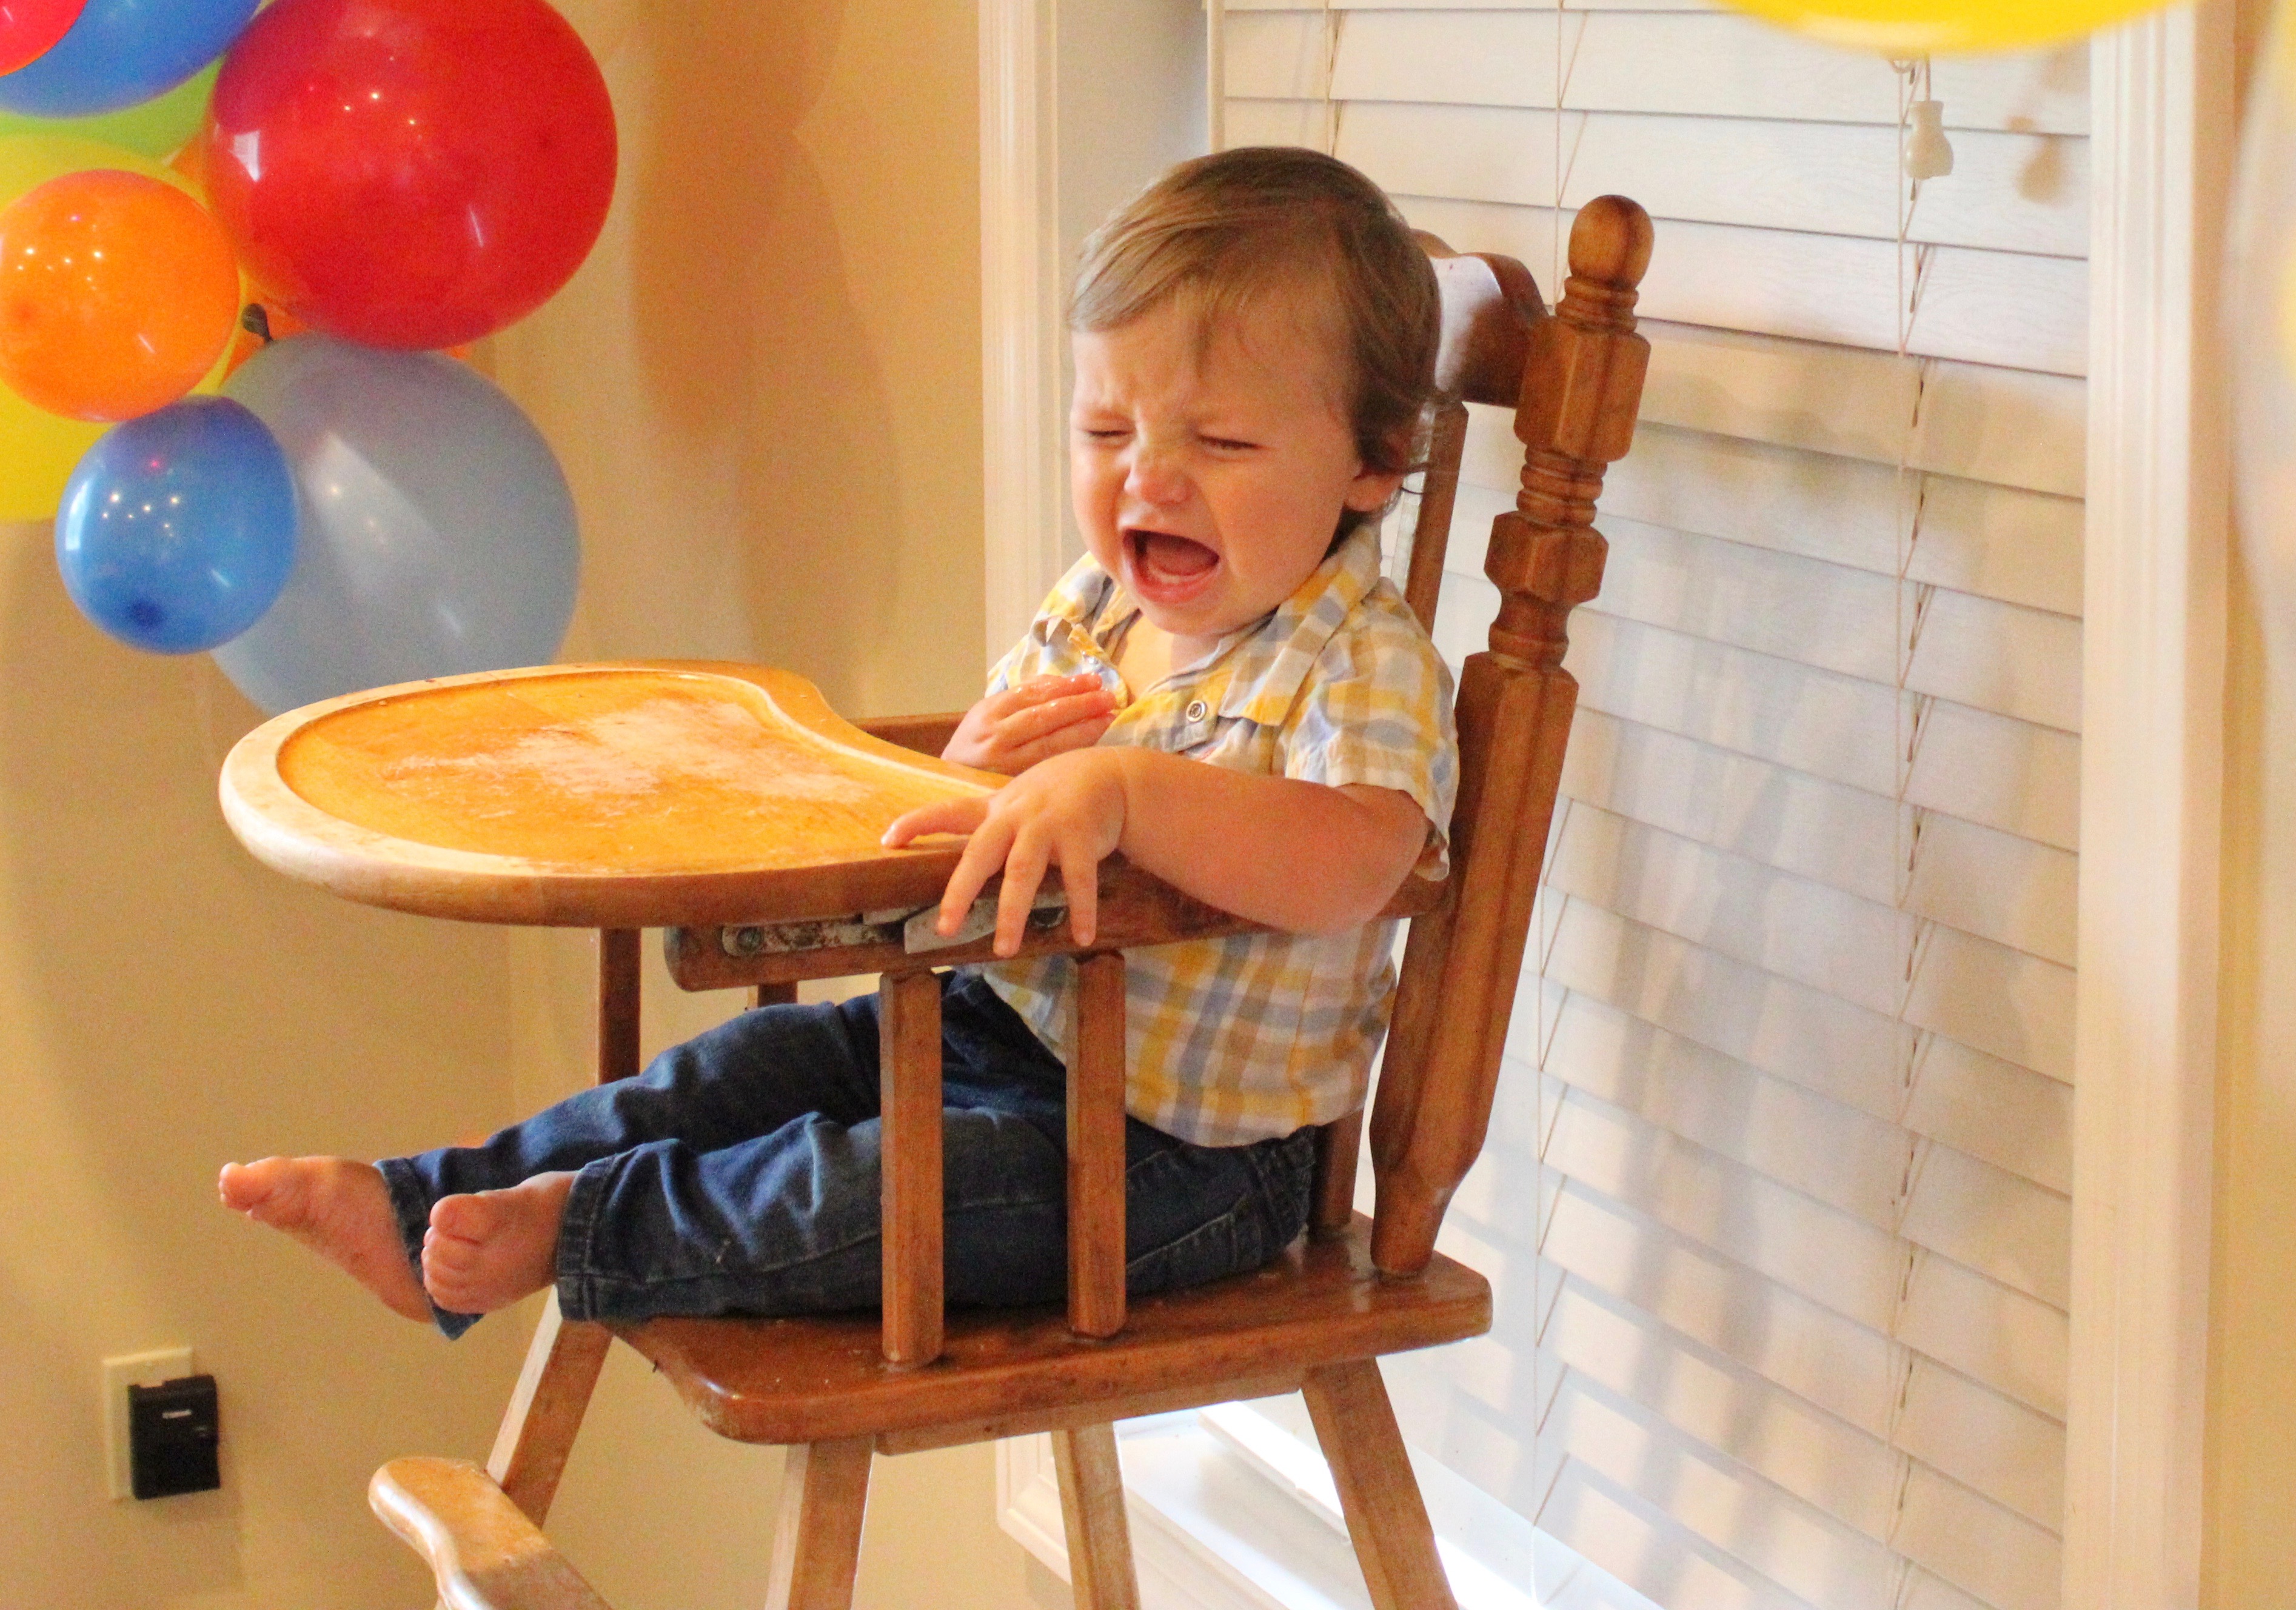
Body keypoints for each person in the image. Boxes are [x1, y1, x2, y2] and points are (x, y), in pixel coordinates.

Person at [218, 148, 1458, 1334]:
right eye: (1105, 432)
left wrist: (1126, 791)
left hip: (1180, 1160)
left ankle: (589, 1226)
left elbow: (1358, 861)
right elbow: (963, 807)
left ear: (1374, 461)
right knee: (743, 1067)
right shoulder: (1097, 604)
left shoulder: (1356, 656)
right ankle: (424, 1201)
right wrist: (976, 769)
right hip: (989, 1024)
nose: (1151, 480)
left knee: (856, 1186)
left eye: (1221, 443)